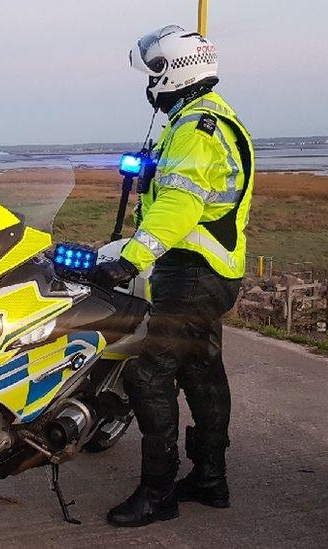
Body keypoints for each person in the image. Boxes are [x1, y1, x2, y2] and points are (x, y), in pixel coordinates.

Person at [89, 24, 256, 527]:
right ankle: (210, 479)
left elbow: (180, 208)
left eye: (155, 70)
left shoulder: (195, 130)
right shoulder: (211, 119)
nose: (149, 83)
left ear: (177, 70)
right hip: (211, 271)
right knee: (202, 371)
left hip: (192, 274)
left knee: (148, 372)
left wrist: (132, 257)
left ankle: (158, 493)